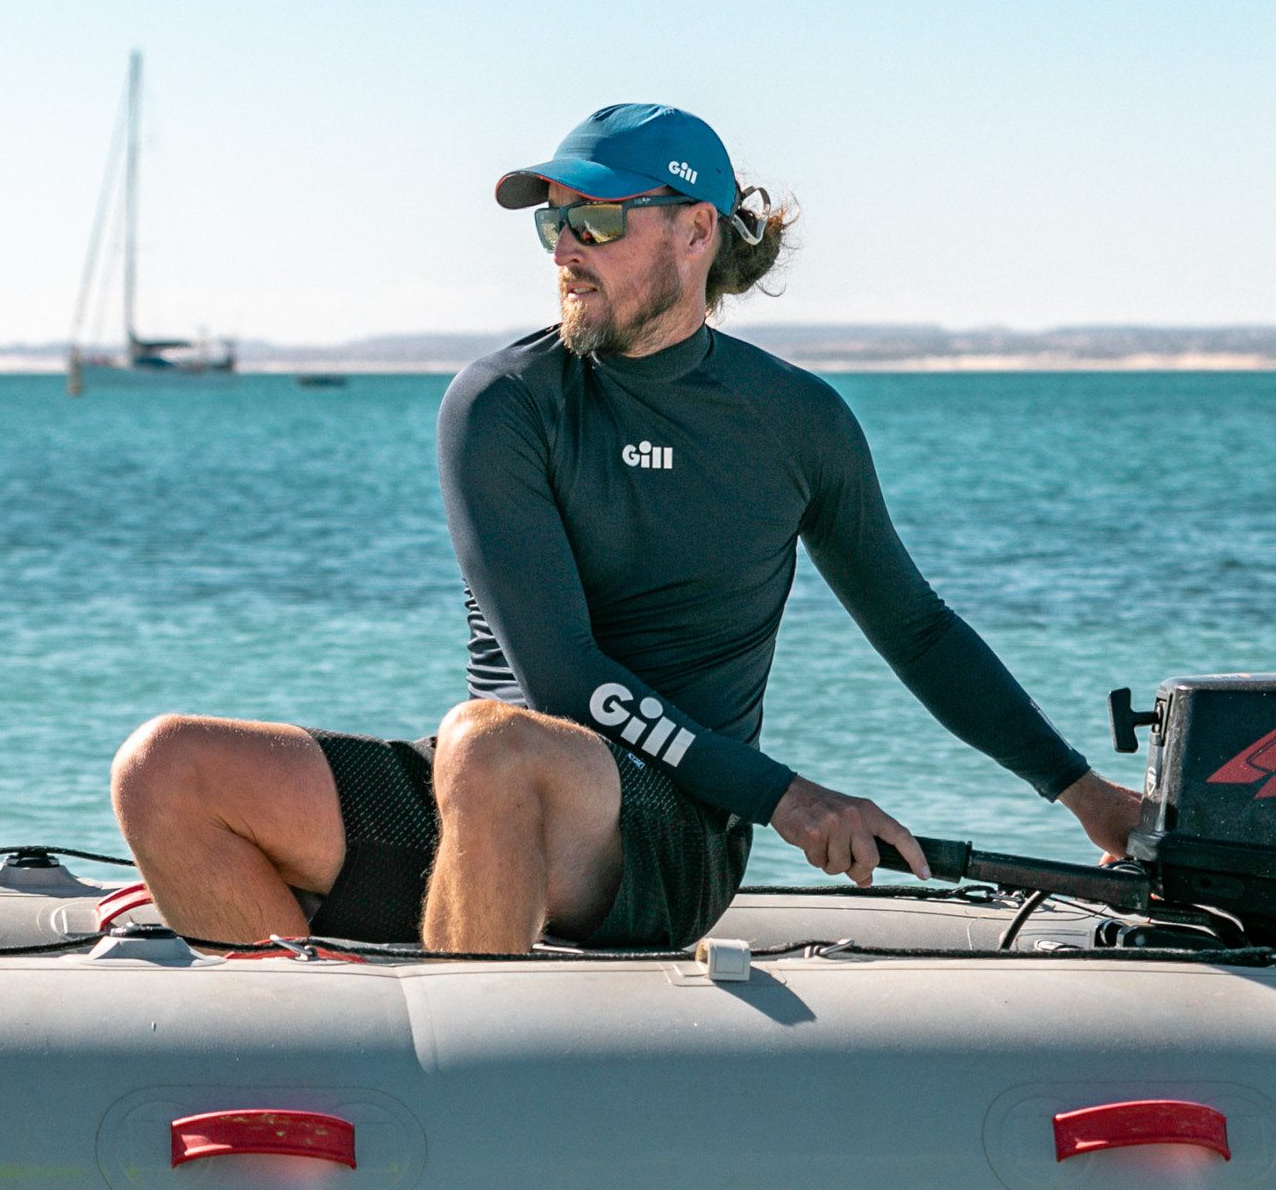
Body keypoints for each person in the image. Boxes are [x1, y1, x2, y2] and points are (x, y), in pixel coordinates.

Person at [110, 103, 1141, 952]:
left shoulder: (796, 421)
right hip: (487, 783)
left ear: (696, 232)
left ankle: (481, 1082)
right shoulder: (503, 403)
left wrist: (1081, 792)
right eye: (552, 223)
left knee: (489, 748)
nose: (565, 249)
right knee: (165, 767)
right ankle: (329, 1064)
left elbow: (914, 627)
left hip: (671, 833)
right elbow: (562, 680)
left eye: (596, 221)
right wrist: (793, 796)